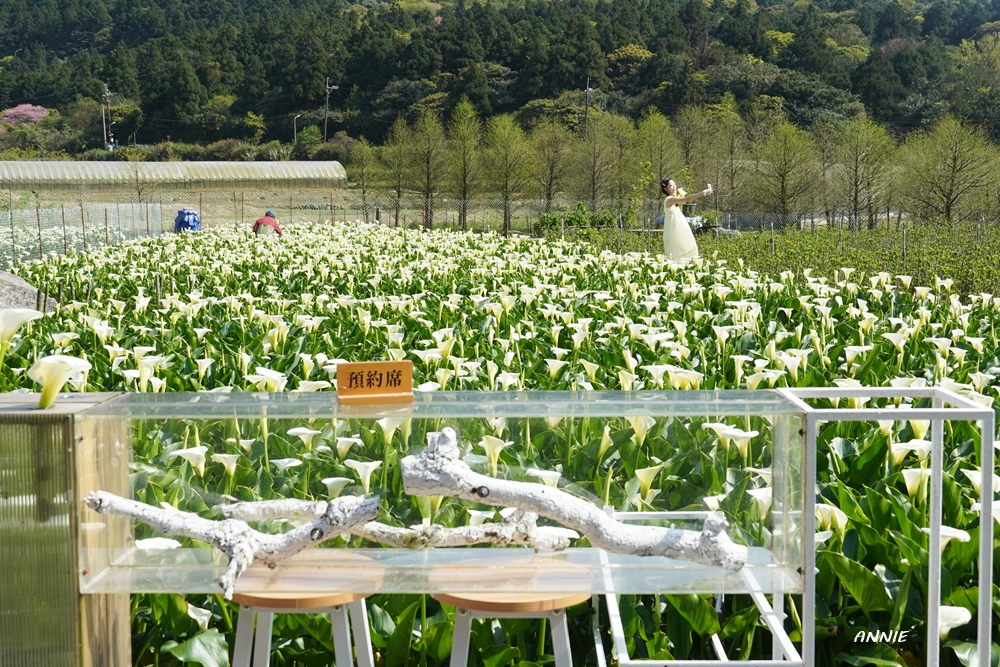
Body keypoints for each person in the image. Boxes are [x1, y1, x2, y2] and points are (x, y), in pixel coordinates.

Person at [661, 178, 711, 260]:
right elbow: (687, 199)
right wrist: (703, 193)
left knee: (687, 250)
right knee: (676, 253)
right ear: (666, 189)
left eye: (674, 185)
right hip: (674, 232)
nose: (674, 187)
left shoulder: (674, 200)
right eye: (671, 186)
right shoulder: (669, 200)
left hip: (681, 231)